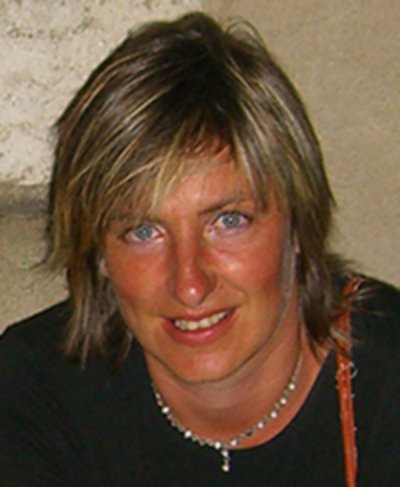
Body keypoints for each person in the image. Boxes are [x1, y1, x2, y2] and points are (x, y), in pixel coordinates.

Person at [0, 11, 399, 487]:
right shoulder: (35, 393)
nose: (189, 283)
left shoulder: (387, 384)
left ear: (297, 223)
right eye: (144, 232)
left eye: (228, 221)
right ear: (99, 254)